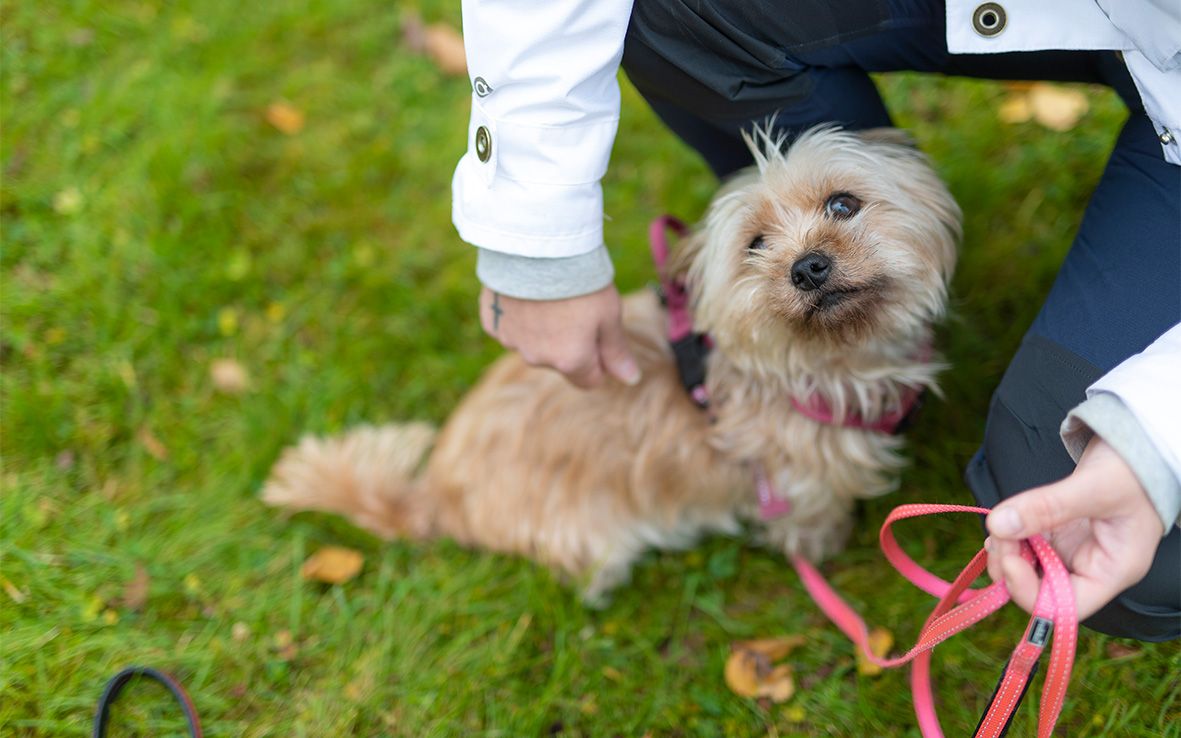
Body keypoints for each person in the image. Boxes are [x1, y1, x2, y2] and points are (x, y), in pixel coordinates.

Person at [451, 0, 1180, 641]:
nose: (807, 259)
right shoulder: (806, 432)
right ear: (707, 301)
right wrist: (535, 247)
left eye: (839, 205)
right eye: (758, 245)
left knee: (1104, 527)